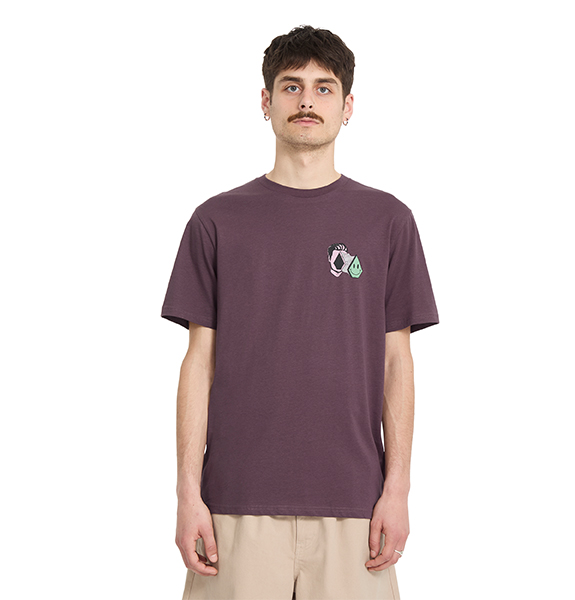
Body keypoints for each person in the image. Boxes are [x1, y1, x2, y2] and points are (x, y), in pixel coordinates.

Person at [161, 24, 439, 600]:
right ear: (265, 102)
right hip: (235, 503)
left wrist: (398, 490)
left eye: (323, 87)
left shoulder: (388, 221)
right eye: (291, 87)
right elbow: (198, 364)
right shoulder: (216, 221)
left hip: (355, 505)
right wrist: (188, 493)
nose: (307, 100)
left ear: (348, 106)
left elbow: (397, 364)